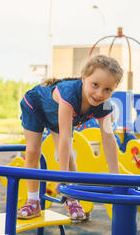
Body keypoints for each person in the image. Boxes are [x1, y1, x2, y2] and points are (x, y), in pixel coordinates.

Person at [18, 55, 123, 221]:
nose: (99, 94)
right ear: (84, 78)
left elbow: (109, 139)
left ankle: (72, 200)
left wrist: (117, 179)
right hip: (35, 106)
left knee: (69, 157)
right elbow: (66, 137)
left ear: (114, 89)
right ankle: (33, 201)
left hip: (57, 118)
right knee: (33, 151)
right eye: (95, 85)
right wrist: (62, 178)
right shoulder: (69, 94)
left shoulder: (105, 105)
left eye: (107, 90)